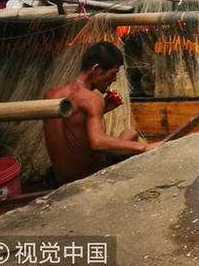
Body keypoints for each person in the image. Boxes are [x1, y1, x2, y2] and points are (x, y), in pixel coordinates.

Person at [43, 41, 164, 187]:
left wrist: (102, 109)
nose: (114, 80)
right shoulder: (93, 99)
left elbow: (72, 128)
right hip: (90, 177)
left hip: (59, 180)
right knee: (131, 134)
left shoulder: (51, 94)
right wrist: (145, 148)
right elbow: (98, 143)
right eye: (113, 74)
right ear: (96, 69)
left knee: (130, 133)